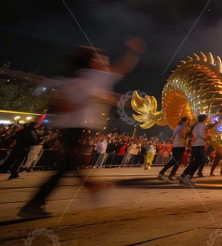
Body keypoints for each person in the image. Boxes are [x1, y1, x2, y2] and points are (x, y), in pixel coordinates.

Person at [18, 37, 147, 219]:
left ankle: (89, 187)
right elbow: (121, 69)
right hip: (76, 128)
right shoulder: (94, 75)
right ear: (91, 62)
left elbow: (59, 102)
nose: (106, 60)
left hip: (71, 128)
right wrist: (133, 52)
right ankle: (37, 203)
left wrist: (111, 100)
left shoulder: (76, 78)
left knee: (69, 164)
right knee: (66, 167)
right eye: (101, 57)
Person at [180, 115, 209, 186]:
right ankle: (187, 176)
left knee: (197, 161)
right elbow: (201, 135)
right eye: (207, 118)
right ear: (205, 119)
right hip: (199, 145)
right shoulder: (202, 125)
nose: (208, 119)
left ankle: (185, 176)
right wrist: (207, 137)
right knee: (199, 161)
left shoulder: (198, 125)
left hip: (197, 145)